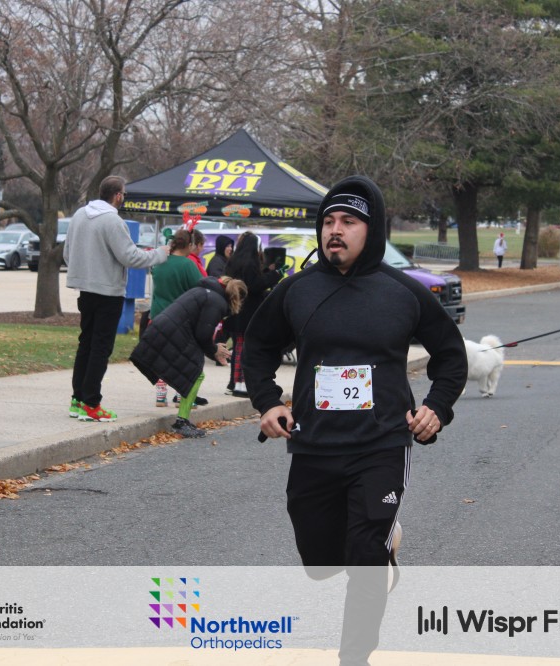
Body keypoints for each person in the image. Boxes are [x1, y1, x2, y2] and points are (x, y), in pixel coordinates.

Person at [242, 175, 467, 665]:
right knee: (320, 562)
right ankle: (386, 543)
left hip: (382, 444)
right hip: (314, 445)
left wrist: (436, 408)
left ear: (372, 229)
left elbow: (451, 355)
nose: (335, 231)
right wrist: (268, 402)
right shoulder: (298, 291)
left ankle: (355, 655)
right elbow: (257, 347)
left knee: (365, 556)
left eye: (348, 221)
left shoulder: (402, 292)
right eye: (328, 222)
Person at [64, 175, 169, 422]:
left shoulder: (80, 215)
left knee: (86, 344)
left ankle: (78, 399)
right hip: (108, 292)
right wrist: (160, 253)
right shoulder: (113, 220)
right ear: (118, 195)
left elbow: (68, 252)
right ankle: (92, 403)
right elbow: (130, 257)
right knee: (100, 348)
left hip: (85, 290)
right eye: (124, 194)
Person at [130, 276, 246, 437]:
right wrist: (215, 351)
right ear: (237, 298)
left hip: (163, 328)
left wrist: (213, 350)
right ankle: (181, 422)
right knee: (196, 375)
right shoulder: (216, 302)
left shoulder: (203, 291)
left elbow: (200, 332)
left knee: (189, 372)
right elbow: (203, 335)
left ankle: (182, 414)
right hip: (173, 333)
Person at [150, 228, 204, 406]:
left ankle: (160, 395)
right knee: (182, 358)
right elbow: (199, 288)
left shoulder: (159, 263)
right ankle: (181, 395)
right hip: (180, 318)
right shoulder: (188, 265)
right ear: (189, 245)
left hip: (158, 315)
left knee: (162, 357)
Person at [225, 231, 281, 397]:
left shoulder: (233, 262)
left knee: (238, 348)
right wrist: (274, 275)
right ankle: (243, 385)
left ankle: (235, 383)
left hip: (235, 311)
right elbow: (255, 285)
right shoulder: (250, 263)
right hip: (249, 313)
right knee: (246, 350)